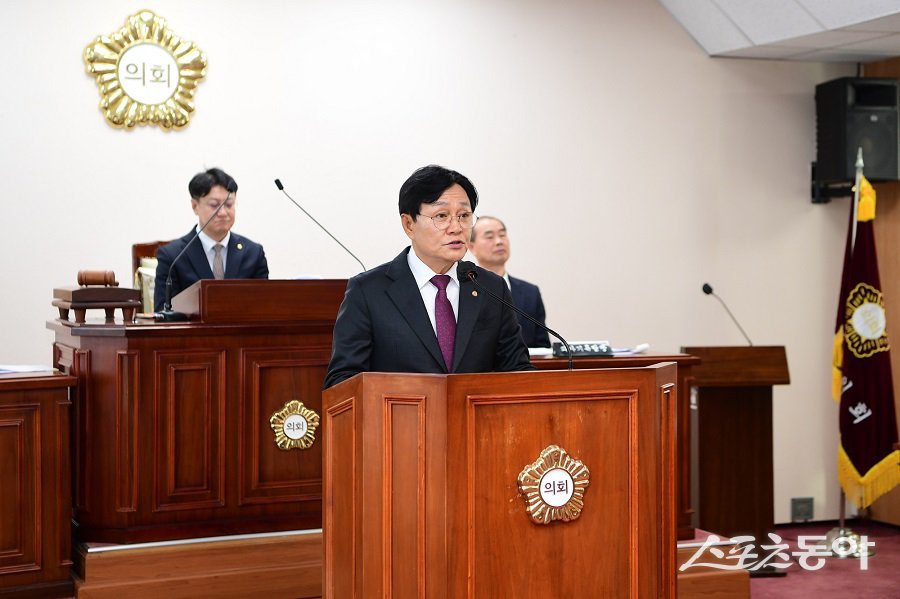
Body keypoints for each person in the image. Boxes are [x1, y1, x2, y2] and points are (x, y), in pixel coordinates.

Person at [324, 165, 533, 388]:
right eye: (441, 216)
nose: (456, 227)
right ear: (409, 225)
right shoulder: (368, 291)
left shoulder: (491, 288)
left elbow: (518, 372)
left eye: (464, 216)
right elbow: (342, 382)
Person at [153, 168, 269, 311]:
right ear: (195, 206)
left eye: (229, 204)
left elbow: (264, 308)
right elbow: (163, 313)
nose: (223, 212)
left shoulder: (253, 254)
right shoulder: (173, 257)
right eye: (214, 205)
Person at [467, 216, 551, 348]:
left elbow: (543, 347)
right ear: (471, 247)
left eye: (502, 235)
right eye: (489, 237)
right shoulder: (464, 291)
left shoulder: (530, 292)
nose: (499, 241)